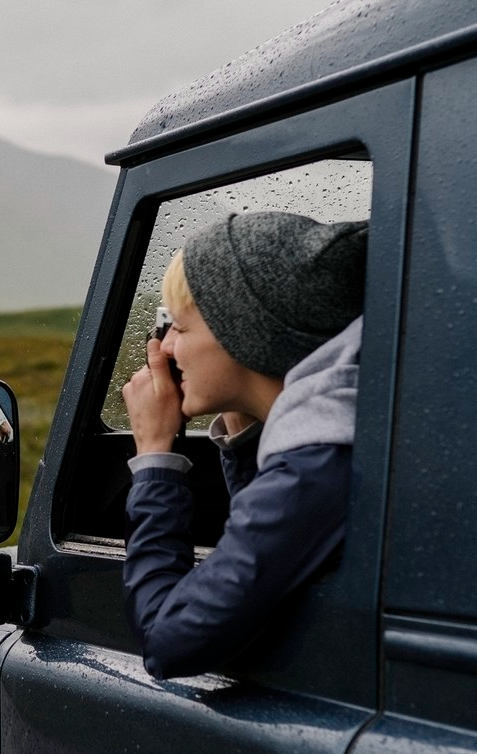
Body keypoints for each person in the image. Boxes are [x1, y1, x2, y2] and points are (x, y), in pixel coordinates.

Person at [119, 210, 366, 679]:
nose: (165, 347)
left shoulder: (316, 468)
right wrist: (240, 411)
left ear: (242, 334)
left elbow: (167, 639)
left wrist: (154, 455)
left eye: (181, 328)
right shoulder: (335, 441)